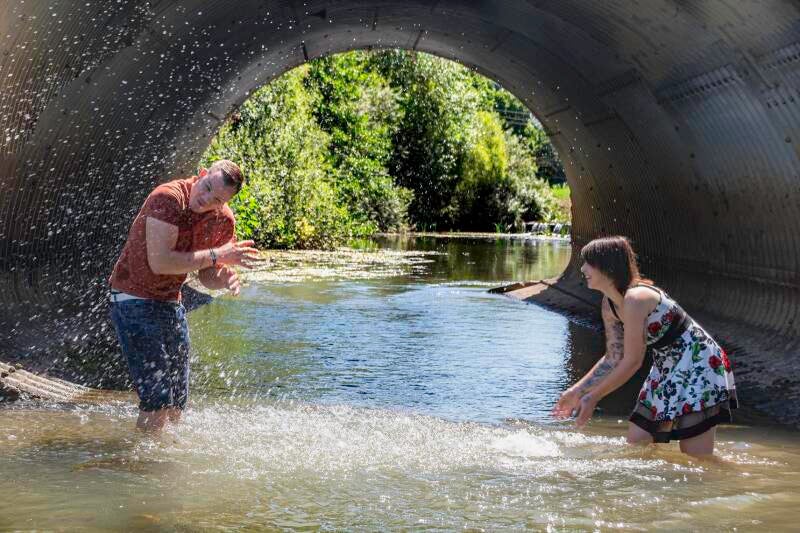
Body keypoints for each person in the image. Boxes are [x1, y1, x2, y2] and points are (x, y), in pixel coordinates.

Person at [108, 160, 263, 431]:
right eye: (205, 188)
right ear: (201, 174)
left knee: (177, 400)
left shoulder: (222, 220)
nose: (205, 200)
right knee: (156, 399)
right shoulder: (168, 198)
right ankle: (142, 464)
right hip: (132, 297)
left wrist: (223, 277)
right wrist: (217, 256)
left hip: (170, 302)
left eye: (216, 200)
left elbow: (205, 275)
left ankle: (162, 455)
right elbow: (162, 263)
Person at [552, 236, 737, 456]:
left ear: (607, 266)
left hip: (699, 362)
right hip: (666, 366)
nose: (582, 268)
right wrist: (577, 391)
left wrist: (593, 397)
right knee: (638, 444)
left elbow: (633, 361)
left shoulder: (636, 299)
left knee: (697, 457)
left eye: (588, 263)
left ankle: (745, 477)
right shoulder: (609, 305)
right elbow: (613, 357)